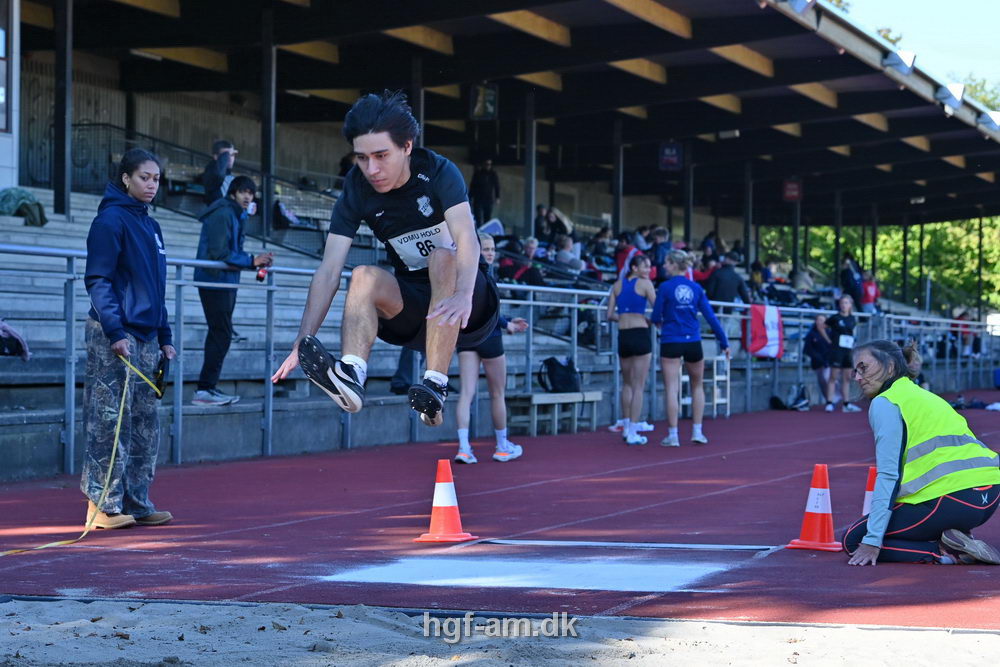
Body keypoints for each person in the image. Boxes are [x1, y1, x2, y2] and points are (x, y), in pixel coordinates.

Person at [271, 91, 499, 428]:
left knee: (442, 257)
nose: (372, 169)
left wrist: (464, 293)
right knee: (362, 274)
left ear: (407, 146)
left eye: (381, 156)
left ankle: (435, 383)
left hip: (469, 305)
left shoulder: (437, 171)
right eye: (361, 158)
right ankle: (351, 374)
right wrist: (302, 343)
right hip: (414, 309)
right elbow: (329, 269)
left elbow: (467, 236)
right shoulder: (357, 188)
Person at [82, 148, 176, 529]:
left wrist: (165, 334)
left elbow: (155, 286)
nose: (152, 185)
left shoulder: (151, 226)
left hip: (147, 335)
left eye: (156, 179)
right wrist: (115, 331)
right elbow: (98, 280)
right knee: (109, 422)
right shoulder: (110, 221)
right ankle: (102, 505)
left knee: (143, 425)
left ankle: (137, 502)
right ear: (126, 178)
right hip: (115, 335)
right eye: (144, 178)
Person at [843, 340, 1000, 566]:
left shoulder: (886, 402)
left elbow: (889, 475)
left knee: (853, 540)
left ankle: (944, 552)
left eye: (863, 368)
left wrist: (873, 540)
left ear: (889, 367)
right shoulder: (928, 396)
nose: (858, 378)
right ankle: (958, 539)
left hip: (950, 500)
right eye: (855, 371)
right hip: (988, 497)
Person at [192, 176, 273, 406]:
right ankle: (204, 390)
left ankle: (207, 388)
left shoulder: (235, 213)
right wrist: (251, 260)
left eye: (251, 193)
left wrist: (255, 261)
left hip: (224, 281)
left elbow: (230, 251)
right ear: (233, 192)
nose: (248, 197)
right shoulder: (224, 213)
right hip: (215, 281)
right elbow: (219, 253)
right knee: (222, 333)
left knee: (221, 333)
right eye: (244, 192)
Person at [454, 233, 529, 464]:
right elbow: (490, 311)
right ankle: (502, 446)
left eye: (492, 249)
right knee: (497, 394)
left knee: (467, 394)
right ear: (475, 249)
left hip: (466, 336)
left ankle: (464, 448)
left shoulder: (461, 274)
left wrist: (507, 322)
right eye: (486, 248)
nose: (490, 253)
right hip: (489, 337)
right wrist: (508, 325)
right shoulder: (483, 274)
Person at [651, 250, 731, 447]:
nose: (664, 266)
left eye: (667, 263)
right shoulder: (696, 288)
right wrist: (724, 342)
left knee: (671, 387)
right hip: (693, 340)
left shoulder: (665, 287)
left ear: (673, 264)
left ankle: (673, 435)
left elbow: (655, 315)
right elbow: (711, 317)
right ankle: (697, 431)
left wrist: (659, 322)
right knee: (697, 385)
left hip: (671, 339)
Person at [606, 254, 657, 445]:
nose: (648, 271)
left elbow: (609, 314)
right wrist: (648, 320)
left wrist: (626, 317)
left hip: (624, 335)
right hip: (640, 334)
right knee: (639, 385)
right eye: (645, 267)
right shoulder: (645, 284)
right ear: (634, 268)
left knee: (627, 383)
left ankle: (627, 425)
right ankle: (633, 430)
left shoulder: (617, 285)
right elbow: (657, 306)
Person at [824, 295, 862, 413]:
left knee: (846, 378)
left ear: (850, 305)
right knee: (833, 377)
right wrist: (829, 340)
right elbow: (822, 326)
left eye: (846, 303)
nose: (844, 305)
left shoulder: (852, 319)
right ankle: (829, 402)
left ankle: (846, 403)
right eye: (842, 303)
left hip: (848, 351)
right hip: (837, 351)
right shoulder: (835, 317)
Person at [803, 314, 832, 406]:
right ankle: (828, 400)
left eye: (823, 320)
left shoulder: (830, 333)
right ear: (816, 322)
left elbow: (832, 347)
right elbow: (807, 349)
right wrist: (818, 358)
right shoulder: (811, 334)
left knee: (827, 379)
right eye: (819, 320)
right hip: (817, 362)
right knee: (822, 380)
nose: (821, 322)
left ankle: (830, 400)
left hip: (828, 362)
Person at [200, 140, 237, 205]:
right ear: (216, 157)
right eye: (225, 156)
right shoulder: (212, 171)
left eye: (232, 155)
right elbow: (219, 175)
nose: (230, 158)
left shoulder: (227, 172)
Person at [469, 158, 500, 224]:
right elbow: (472, 186)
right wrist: (470, 197)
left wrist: (497, 197)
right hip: (478, 199)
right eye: (486, 164)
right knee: (478, 218)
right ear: (483, 164)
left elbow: (497, 186)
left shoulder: (493, 174)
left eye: (489, 164)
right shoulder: (478, 174)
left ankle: (485, 232)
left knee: (487, 218)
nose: (488, 166)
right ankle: (479, 231)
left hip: (488, 199)